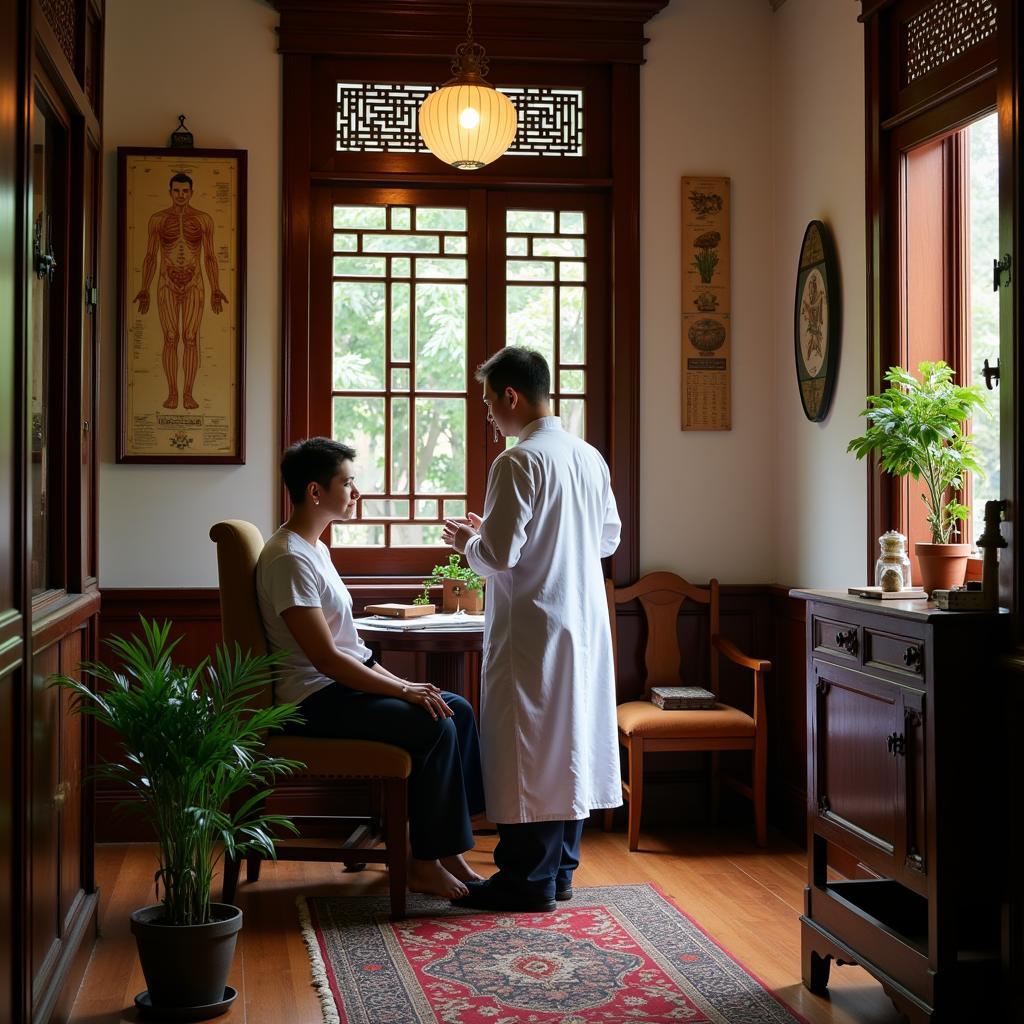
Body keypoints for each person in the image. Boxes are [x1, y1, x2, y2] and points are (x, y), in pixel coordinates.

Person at [256, 437, 485, 899]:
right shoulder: (288, 558)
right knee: (436, 724)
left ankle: (446, 851)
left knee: (455, 708)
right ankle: (424, 863)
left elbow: (351, 650)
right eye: (349, 483)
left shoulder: (313, 548)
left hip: (339, 687)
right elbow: (325, 659)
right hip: (313, 702)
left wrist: (406, 684)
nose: (356, 493)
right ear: (316, 492)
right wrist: (404, 693)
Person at [441, 347, 622, 912]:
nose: (490, 415)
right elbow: (607, 539)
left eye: (490, 402)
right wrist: (522, 538)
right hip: (582, 620)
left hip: (535, 624)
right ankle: (561, 870)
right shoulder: (588, 457)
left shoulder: (518, 461)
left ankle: (526, 879)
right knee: (568, 743)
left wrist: (466, 542)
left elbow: (497, 554)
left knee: (530, 746)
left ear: (512, 397)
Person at [133, 173, 226, 410]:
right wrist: (144, 287)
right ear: (170, 192)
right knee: (171, 338)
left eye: (185, 191)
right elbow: (151, 256)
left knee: (191, 339)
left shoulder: (204, 220)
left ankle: (188, 394)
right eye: (176, 191)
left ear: (191, 192)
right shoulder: (158, 220)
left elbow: (210, 256)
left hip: (195, 283)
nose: (181, 195)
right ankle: (172, 393)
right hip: (167, 282)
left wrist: (216, 287)